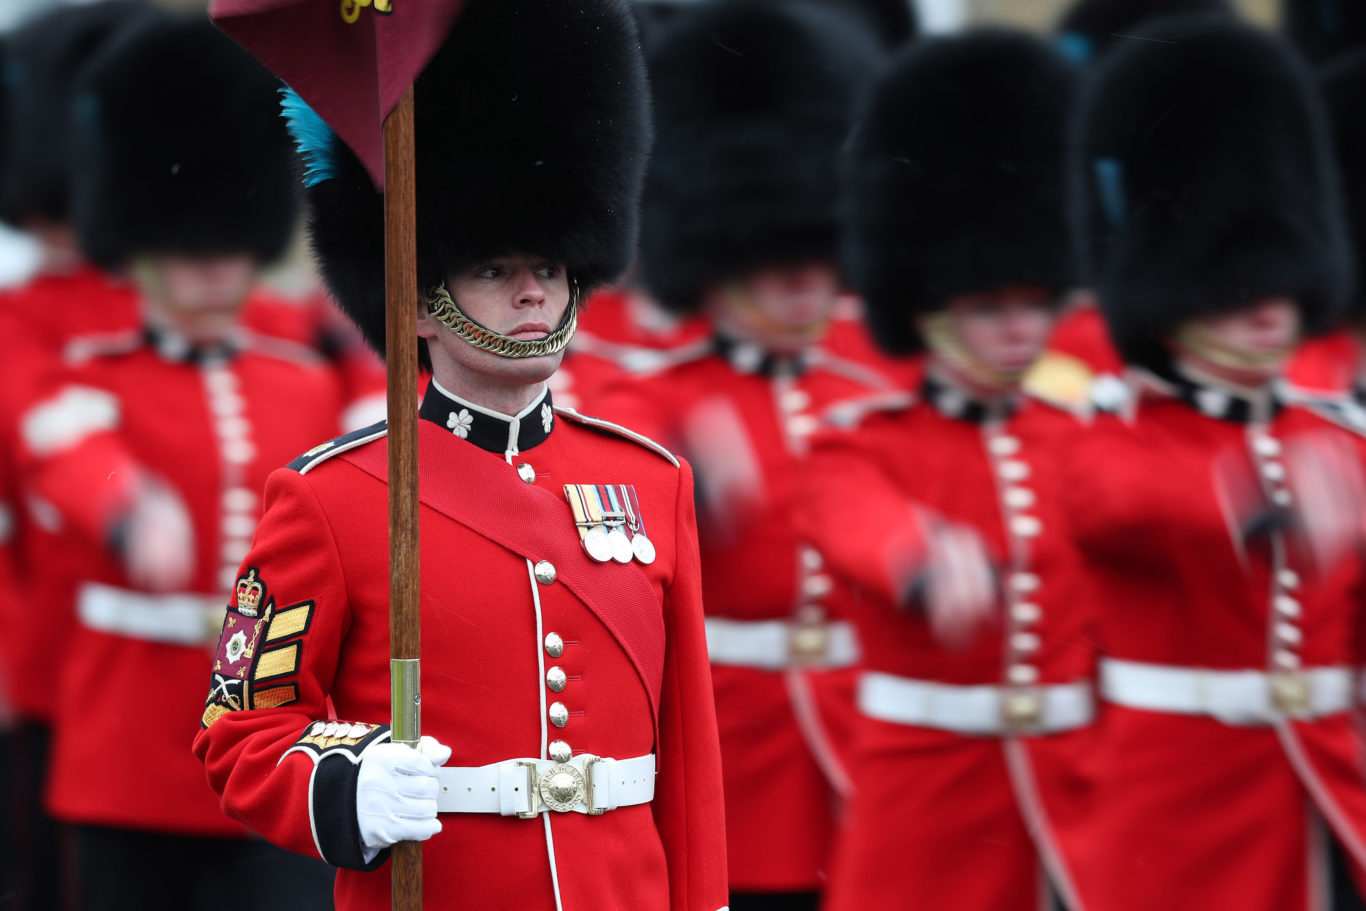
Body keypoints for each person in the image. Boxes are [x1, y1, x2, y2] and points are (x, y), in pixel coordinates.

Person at [193, 2, 728, 909]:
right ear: (420, 297)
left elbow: (687, 752)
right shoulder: (334, 498)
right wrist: (347, 782)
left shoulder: (650, 479)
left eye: (551, 268)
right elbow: (240, 729)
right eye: (493, 269)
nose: (531, 290)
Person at [14, 16, 343, 909]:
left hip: (272, 733)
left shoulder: (304, 372)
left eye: (229, 253)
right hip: (126, 741)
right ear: (142, 249)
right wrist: (127, 506)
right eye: (188, 253)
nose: (211, 274)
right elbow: (64, 446)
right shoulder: (88, 366)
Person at [588, 4, 888, 908]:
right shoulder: (653, 399)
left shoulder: (865, 387)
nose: (803, 290)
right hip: (731, 731)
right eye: (774, 267)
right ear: (716, 264)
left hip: (858, 732)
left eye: (814, 264)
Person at [1064, 15, 1366, 909]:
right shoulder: (1117, 427)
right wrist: (1248, 503)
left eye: (1279, 285)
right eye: (1239, 289)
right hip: (1177, 808)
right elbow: (1120, 506)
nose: (1269, 311)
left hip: (1322, 787)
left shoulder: (1338, 434)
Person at [798, 30, 1094, 911]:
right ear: (927, 311)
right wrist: (920, 556)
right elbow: (850, 515)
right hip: (929, 798)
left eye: (1033, 305)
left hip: (1075, 791)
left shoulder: (1080, 433)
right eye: (989, 307)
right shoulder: (862, 438)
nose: (1019, 330)